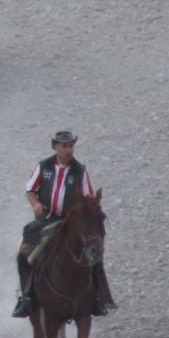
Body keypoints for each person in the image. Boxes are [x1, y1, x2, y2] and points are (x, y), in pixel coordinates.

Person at [13, 130, 117, 318]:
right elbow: (30, 190)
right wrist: (35, 203)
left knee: (93, 251)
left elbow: (89, 198)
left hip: (72, 223)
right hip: (46, 219)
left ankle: (98, 298)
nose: (68, 150)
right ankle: (25, 298)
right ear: (55, 147)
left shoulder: (80, 171)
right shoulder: (43, 167)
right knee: (25, 251)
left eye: (71, 146)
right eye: (64, 146)